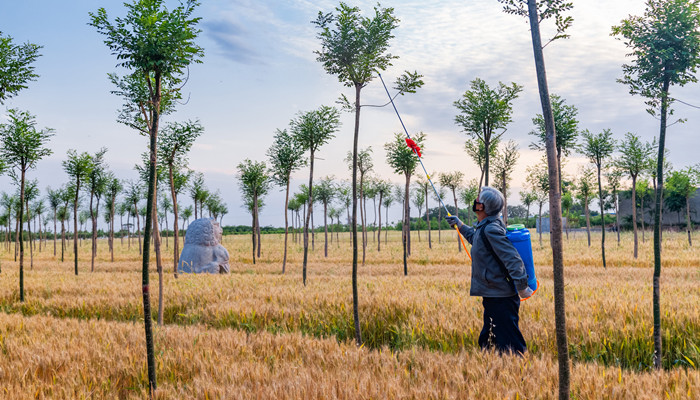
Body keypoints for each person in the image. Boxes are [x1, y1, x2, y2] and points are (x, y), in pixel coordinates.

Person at [446, 186, 533, 354]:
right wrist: (460, 225)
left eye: (478, 200)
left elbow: (513, 260)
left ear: (482, 207)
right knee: (489, 340)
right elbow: (477, 239)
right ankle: (493, 373)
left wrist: (522, 287)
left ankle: (518, 373)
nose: (475, 202)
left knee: (510, 343)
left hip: (501, 297)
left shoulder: (491, 229)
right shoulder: (485, 227)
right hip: (493, 294)